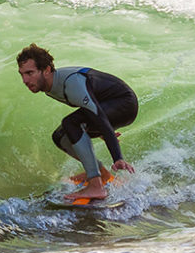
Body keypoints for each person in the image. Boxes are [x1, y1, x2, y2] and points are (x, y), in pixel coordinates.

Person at [17, 43, 138, 201]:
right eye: (22, 74)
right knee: (60, 136)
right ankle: (100, 173)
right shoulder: (49, 87)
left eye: (30, 73)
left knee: (70, 123)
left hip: (125, 104)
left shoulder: (71, 82)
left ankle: (96, 186)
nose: (25, 80)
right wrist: (100, 131)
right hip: (106, 106)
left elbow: (98, 115)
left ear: (46, 70)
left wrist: (117, 157)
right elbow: (91, 111)